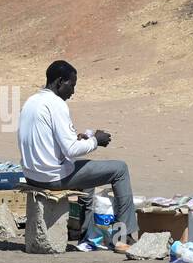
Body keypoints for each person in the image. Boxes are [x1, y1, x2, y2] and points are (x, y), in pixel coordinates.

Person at [17, 60, 138, 251]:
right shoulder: (56, 104)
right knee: (120, 169)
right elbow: (71, 150)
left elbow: (47, 140)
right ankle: (123, 236)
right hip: (52, 177)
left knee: (87, 183)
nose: (73, 91)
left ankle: (86, 236)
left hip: (32, 174)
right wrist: (96, 140)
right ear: (59, 82)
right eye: (71, 85)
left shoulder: (31, 101)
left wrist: (80, 138)